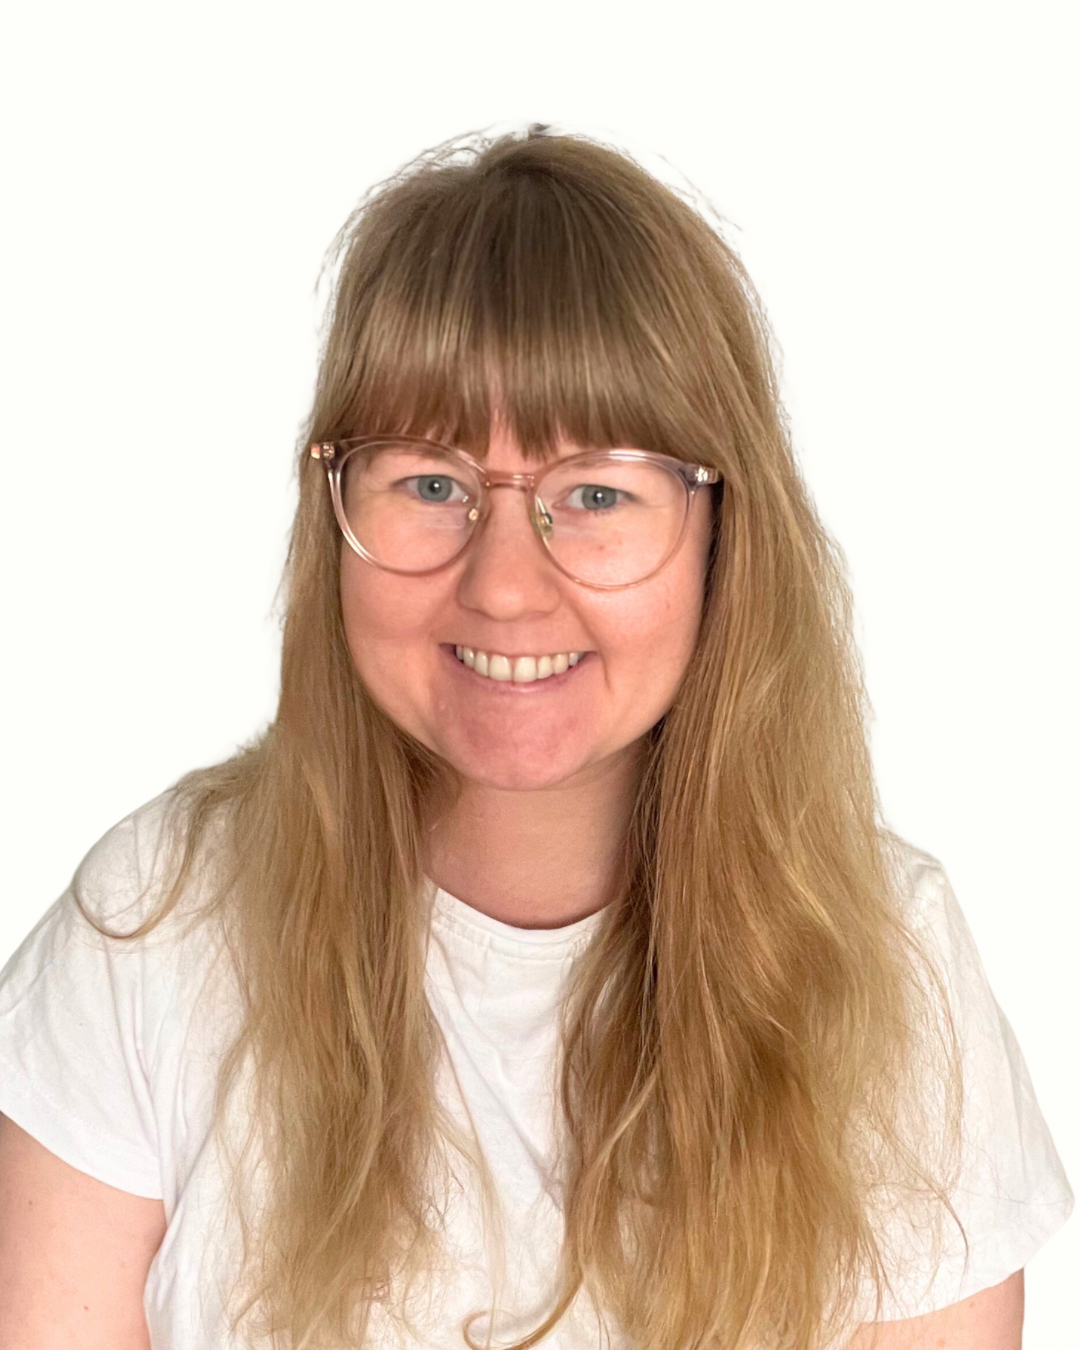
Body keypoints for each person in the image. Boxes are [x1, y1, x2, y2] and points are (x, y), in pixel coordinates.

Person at [0, 126, 1071, 1350]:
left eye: (598, 494)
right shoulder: (158, 924)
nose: (505, 587)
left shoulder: (885, 968)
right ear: (331, 510)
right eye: (431, 484)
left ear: (725, 534)